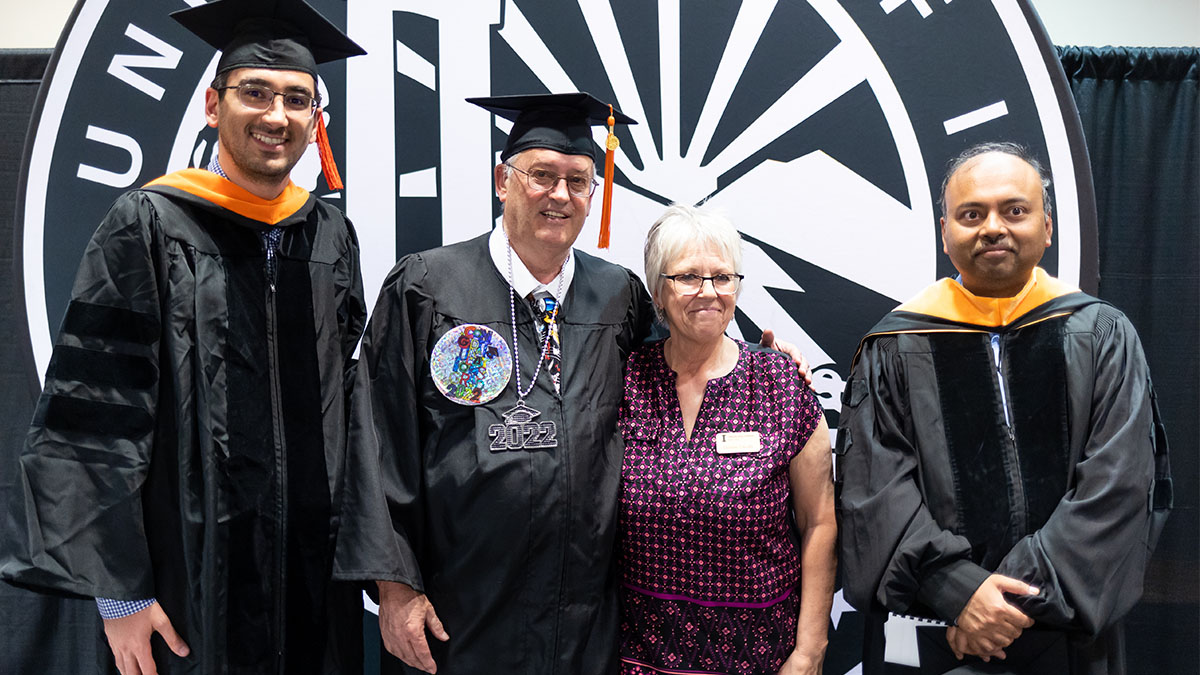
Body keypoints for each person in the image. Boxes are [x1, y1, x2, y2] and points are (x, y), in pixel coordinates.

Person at [332, 93, 811, 674]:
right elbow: (378, 438)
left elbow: (683, 357)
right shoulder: (429, 287)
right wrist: (395, 586)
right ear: (502, 181)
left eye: (578, 181)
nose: (559, 195)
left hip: (586, 617)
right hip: (460, 606)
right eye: (541, 176)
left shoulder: (617, 295)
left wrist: (762, 365)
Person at [0, 1, 369, 673]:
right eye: (254, 92)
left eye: (295, 98)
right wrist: (120, 596)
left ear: (315, 120)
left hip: (317, 593)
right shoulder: (146, 225)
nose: (276, 115)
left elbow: (350, 413)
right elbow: (92, 414)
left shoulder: (330, 238)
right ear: (212, 103)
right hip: (189, 588)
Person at [836, 142, 1171, 674]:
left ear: (1047, 225)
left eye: (1015, 210)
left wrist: (1000, 604)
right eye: (972, 214)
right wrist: (958, 592)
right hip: (932, 634)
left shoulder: (1102, 334)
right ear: (946, 233)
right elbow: (875, 494)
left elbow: (1120, 486)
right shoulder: (896, 345)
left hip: (1063, 638)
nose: (993, 227)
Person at [617, 205, 836, 675]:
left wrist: (810, 650)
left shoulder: (780, 382)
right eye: (689, 277)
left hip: (761, 657)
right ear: (658, 290)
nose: (709, 293)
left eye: (723, 277)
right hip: (639, 657)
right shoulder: (624, 381)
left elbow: (820, 522)